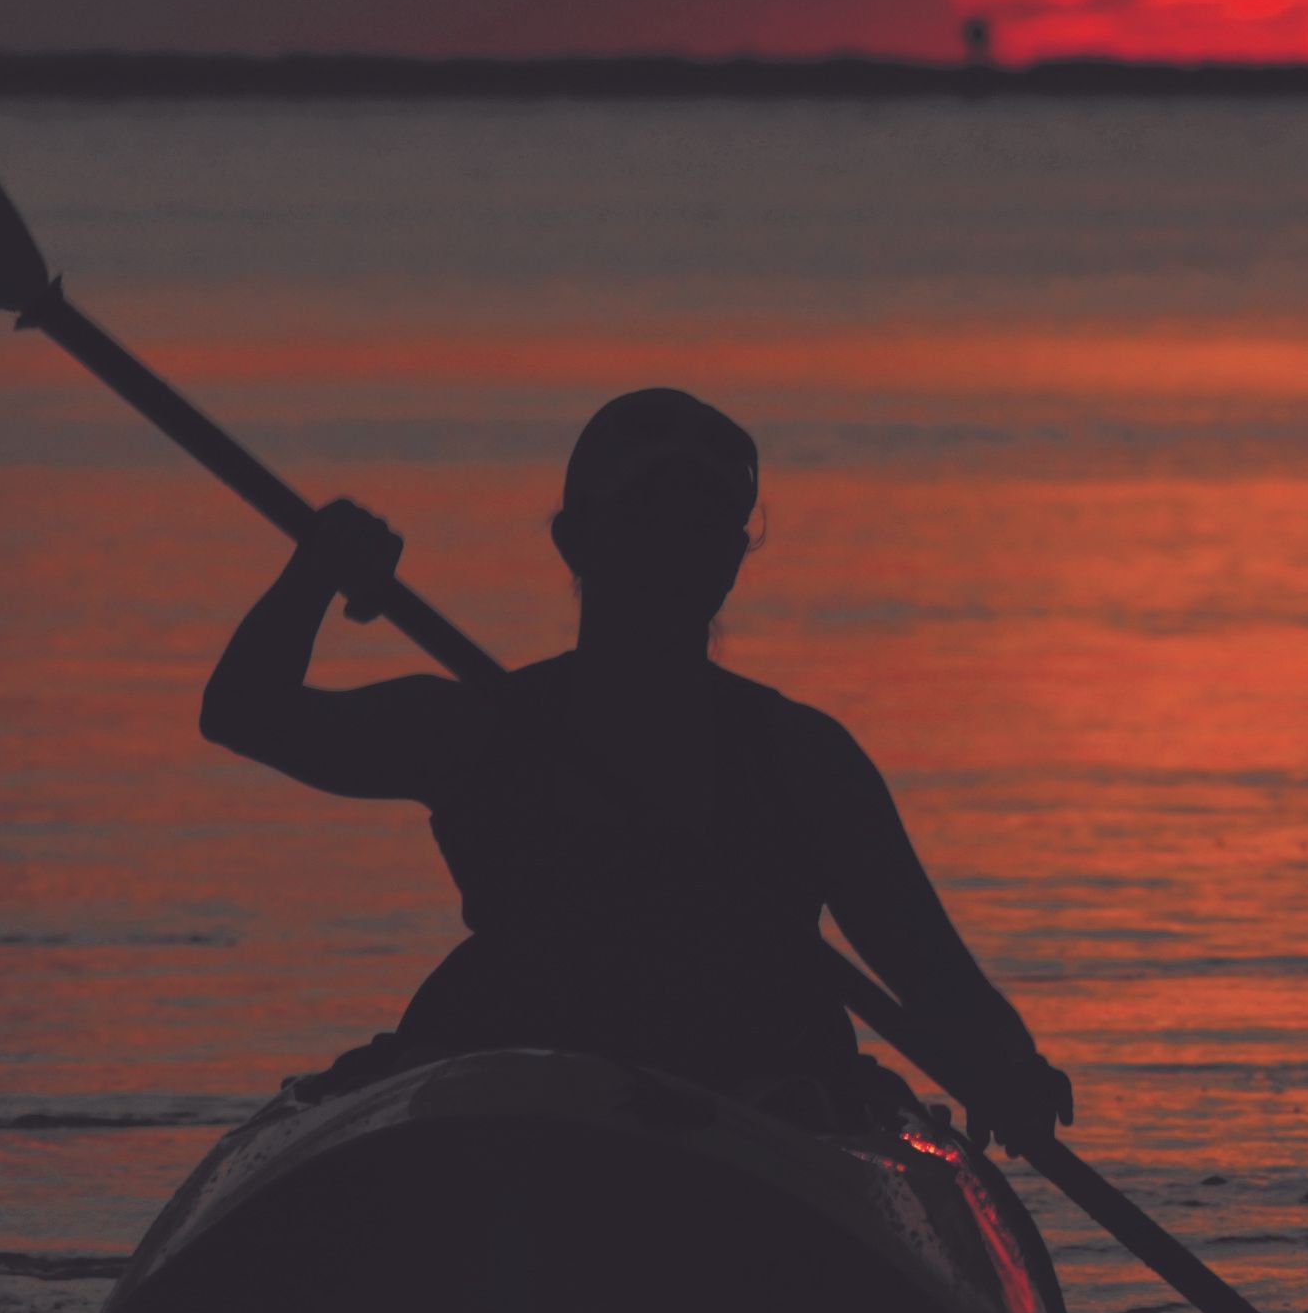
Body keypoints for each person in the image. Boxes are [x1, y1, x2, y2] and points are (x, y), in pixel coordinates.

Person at [199, 386, 1073, 1141]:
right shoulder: (479, 727)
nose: (673, 549)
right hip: (510, 1093)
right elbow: (244, 713)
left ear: (732, 559)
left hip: (766, 1109)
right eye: (648, 520)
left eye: (699, 526)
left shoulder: (801, 760)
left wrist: (1005, 1067)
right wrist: (314, 570)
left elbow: (932, 974)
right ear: (577, 542)